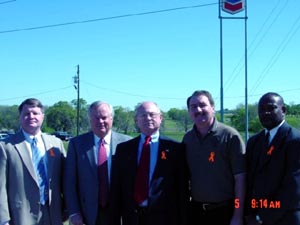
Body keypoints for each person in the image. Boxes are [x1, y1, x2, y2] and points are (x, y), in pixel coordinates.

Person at [109, 101, 189, 225]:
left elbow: (182, 190)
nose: (148, 118)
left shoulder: (175, 149)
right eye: (143, 115)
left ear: (160, 118)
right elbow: (117, 189)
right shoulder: (124, 149)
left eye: (152, 114)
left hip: (165, 218)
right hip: (132, 218)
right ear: (136, 120)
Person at [183, 90, 246, 225]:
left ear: (213, 108)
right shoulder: (187, 138)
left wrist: (238, 215)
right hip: (196, 211)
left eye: (203, 105)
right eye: (193, 107)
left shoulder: (230, 136)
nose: (198, 109)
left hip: (224, 212)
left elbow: (240, 179)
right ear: (189, 112)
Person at [63, 101, 132, 225]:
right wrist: (74, 212)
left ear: (111, 118)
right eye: (96, 118)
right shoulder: (76, 144)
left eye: (104, 117)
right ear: (90, 119)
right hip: (87, 213)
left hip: (119, 212)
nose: (100, 121)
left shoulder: (127, 143)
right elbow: (69, 182)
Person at [0, 98, 66, 225]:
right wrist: (3, 219)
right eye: (26, 114)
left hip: (53, 213)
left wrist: (68, 209)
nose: (31, 117)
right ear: (20, 117)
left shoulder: (56, 144)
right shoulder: (5, 146)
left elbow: (66, 179)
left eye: (35, 113)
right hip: (20, 215)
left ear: (42, 116)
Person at [245, 92, 300, 225]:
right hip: (256, 218)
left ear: (283, 110)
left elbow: (294, 188)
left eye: (271, 108)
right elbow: (249, 181)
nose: (265, 113)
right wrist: (249, 213)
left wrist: (263, 217)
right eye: (261, 110)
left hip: (285, 218)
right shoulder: (254, 142)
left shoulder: (295, 140)